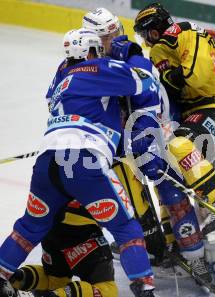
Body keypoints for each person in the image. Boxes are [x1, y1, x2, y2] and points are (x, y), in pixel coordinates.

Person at [0, 29, 161, 297]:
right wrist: (132, 57)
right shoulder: (101, 67)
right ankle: (145, 289)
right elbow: (147, 82)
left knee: (30, 226)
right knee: (125, 227)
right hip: (84, 161)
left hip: (46, 162)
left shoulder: (61, 78)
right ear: (90, 51)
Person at [82, 7, 212, 283]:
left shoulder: (131, 58)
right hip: (129, 138)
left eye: (115, 31)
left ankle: (196, 257)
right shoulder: (96, 62)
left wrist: (142, 139)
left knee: (170, 190)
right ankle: (158, 244)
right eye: (106, 36)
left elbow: (149, 105)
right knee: (133, 195)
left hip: (159, 130)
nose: (113, 39)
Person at [133, 2, 215, 240]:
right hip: (198, 114)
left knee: (180, 145)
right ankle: (175, 235)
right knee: (165, 168)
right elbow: (176, 84)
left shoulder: (182, 33)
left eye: (146, 35)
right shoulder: (169, 44)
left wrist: (170, 78)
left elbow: (196, 77)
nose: (146, 42)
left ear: (154, 30)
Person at [9, 201, 117, 297]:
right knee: (106, 291)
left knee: (55, 280)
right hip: (82, 228)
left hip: (50, 227)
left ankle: (14, 280)